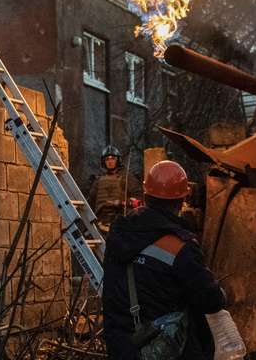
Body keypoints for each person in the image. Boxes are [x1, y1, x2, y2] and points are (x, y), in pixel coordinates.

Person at [102, 160, 227, 360]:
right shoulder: (180, 246)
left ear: (145, 195)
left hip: (122, 348)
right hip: (165, 351)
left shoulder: (118, 237)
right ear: (182, 199)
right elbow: (211, 301)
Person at [88, 145, 143, 230]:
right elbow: (90, 202)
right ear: (103, 161)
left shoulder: (127, 177)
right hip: (100, 221)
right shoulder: (98, 180)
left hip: (120, 220)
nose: (110, 161)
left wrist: (121, 203)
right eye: (107, 159)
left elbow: (139, 199)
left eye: (113, 158)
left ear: (118, 160)